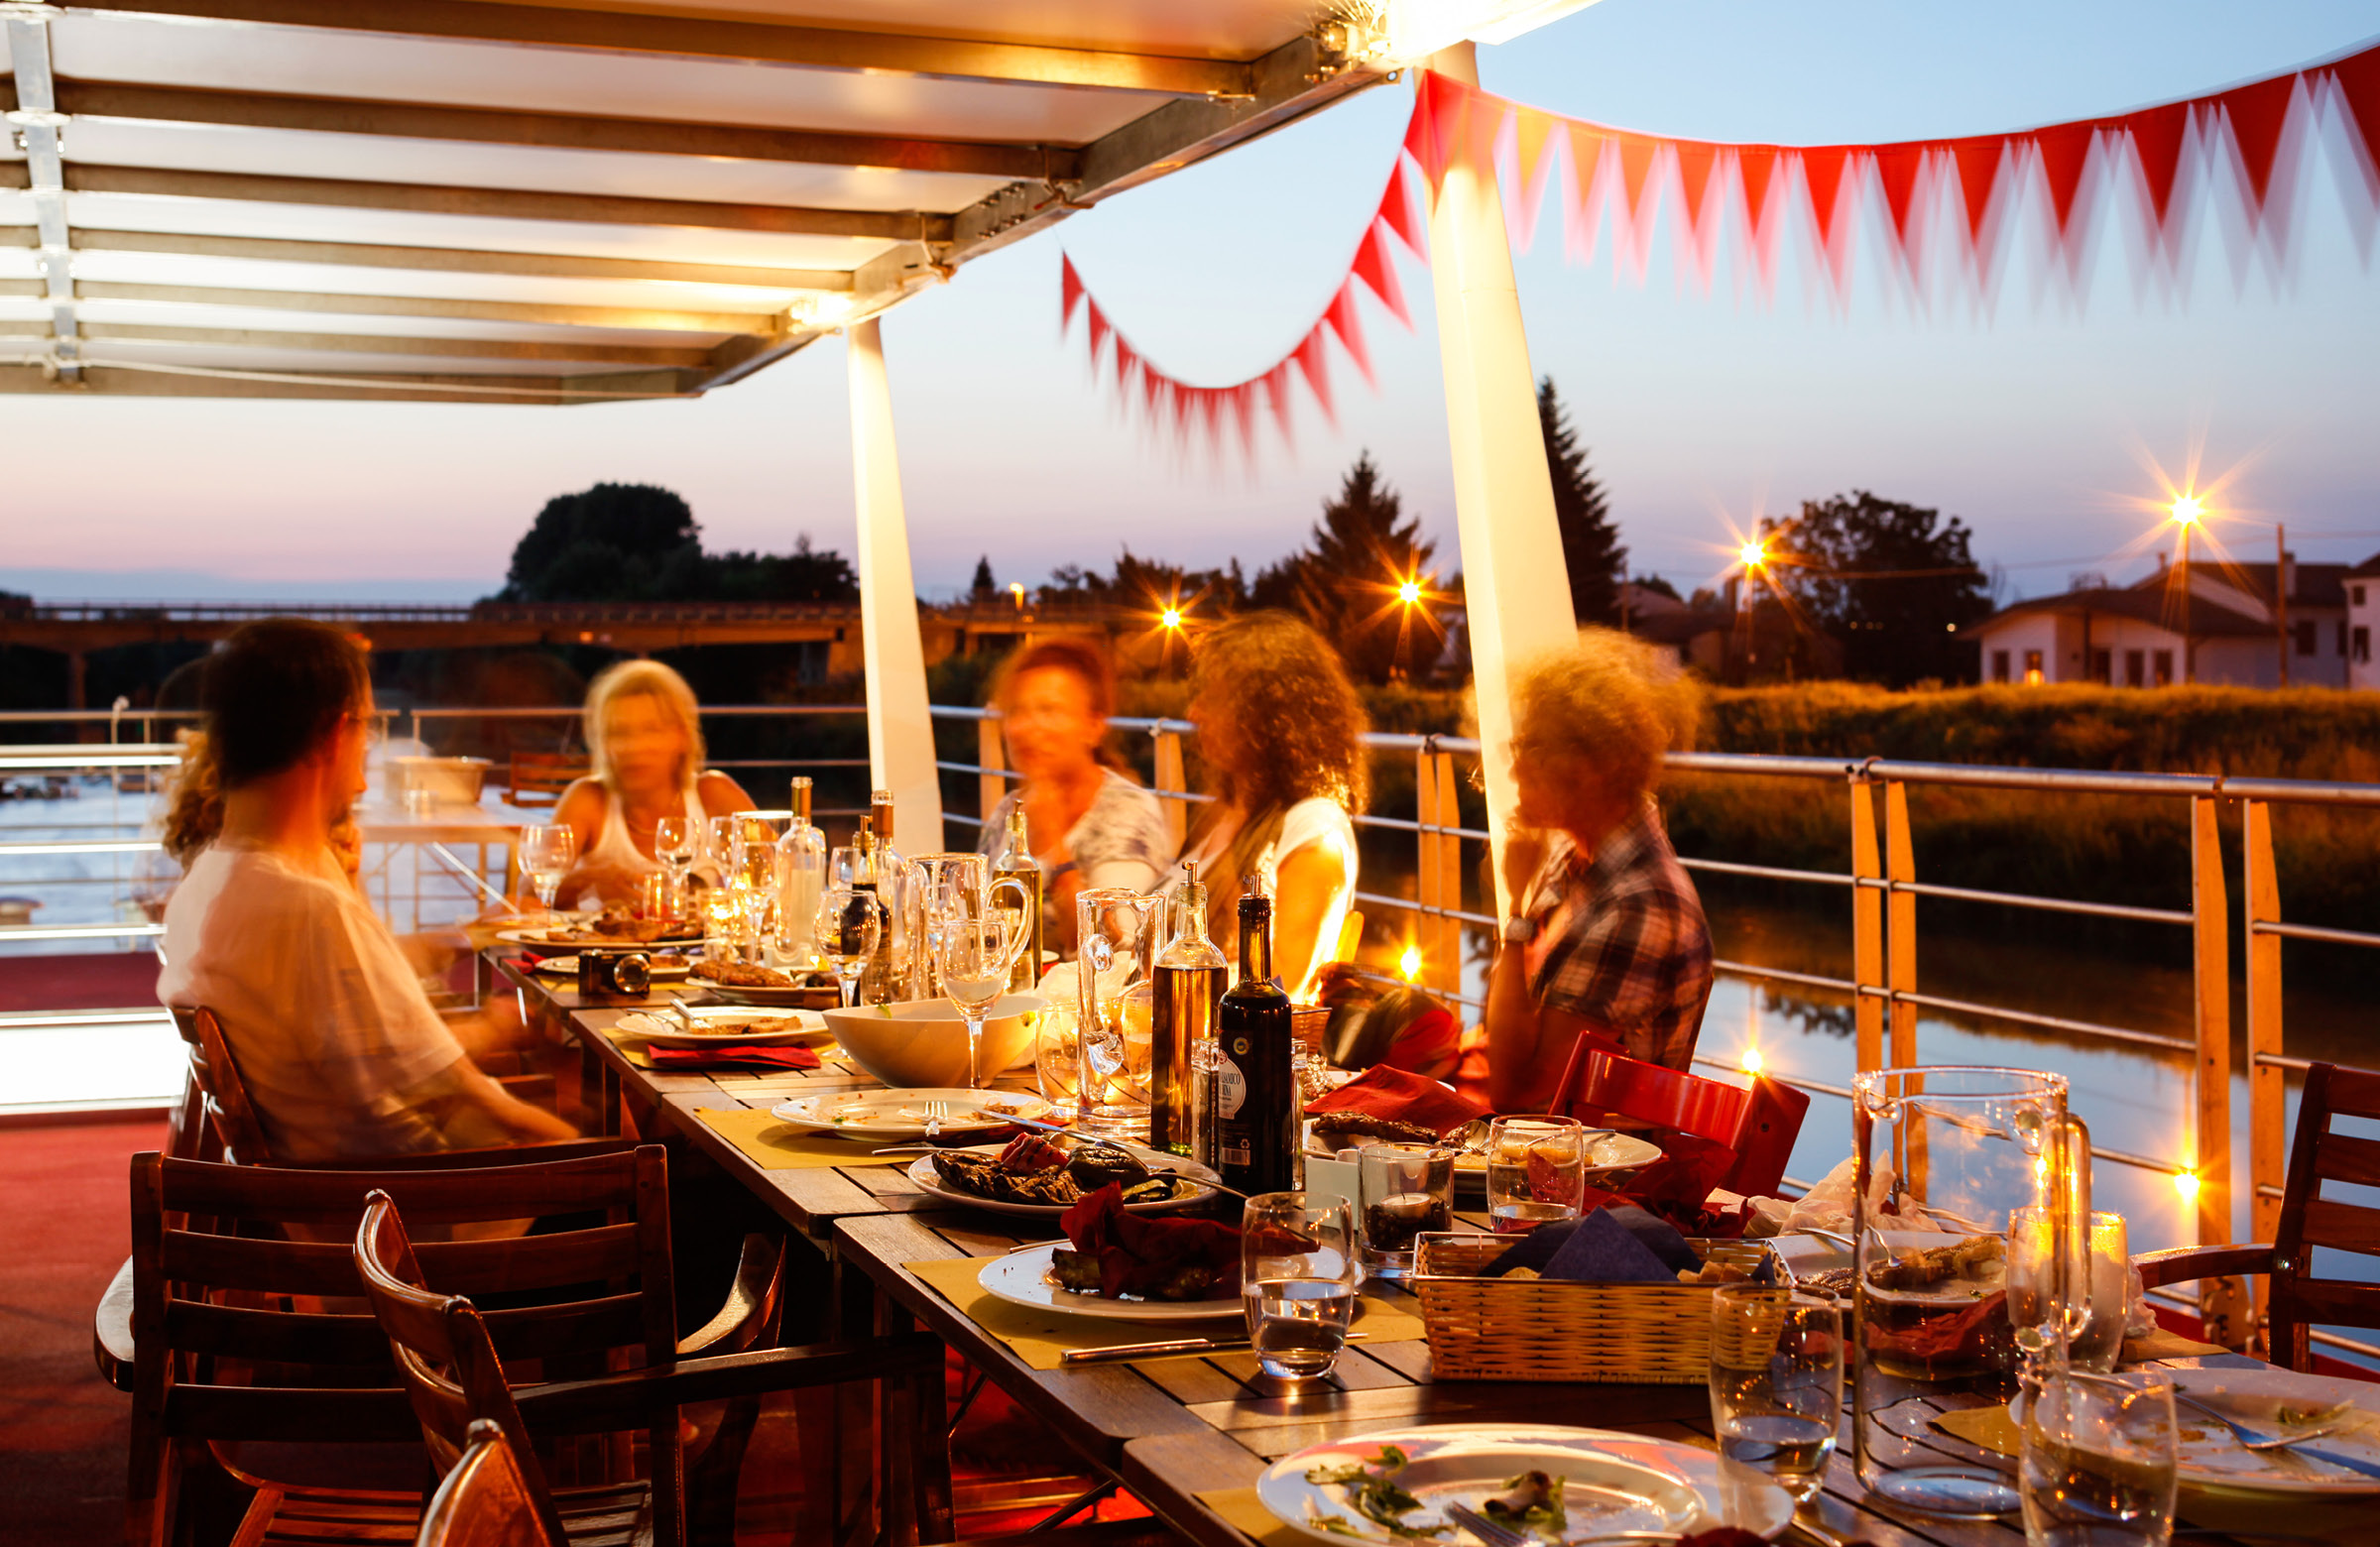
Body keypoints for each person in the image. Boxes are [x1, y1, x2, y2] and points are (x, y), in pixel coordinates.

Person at [158, 618, 575, 1161]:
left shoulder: (211, 880)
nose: (370, 745)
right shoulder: (307, 907)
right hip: (405, 1215)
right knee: (673, 1167)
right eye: (368, 725)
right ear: (335, 732)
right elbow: (449, 1086)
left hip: (333, 1188)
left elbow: (368, 1040)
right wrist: (584, 1145)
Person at [1467, 628, 1714, 1113]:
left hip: (1591, 1179)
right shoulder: (1573, 862)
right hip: (1535, 1161)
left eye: (1533, 750)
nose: (1515, 772)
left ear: (1598, 764)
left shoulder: (1639, 904)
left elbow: (1524, 1100)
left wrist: (1515, 917)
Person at [1169, 612, 1366, 1001]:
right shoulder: (1228, 813)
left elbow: (1282, 990)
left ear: (1263, 717)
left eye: (1211, 697)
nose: (1193, 713)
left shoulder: (1313, 828)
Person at [977, 638, 1172, 951]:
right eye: (1016, 711)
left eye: (1049, 710)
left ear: (1093, 726)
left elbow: (1115, 949)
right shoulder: (1007, 811)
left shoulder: (1127, 813)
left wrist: (1055, 848)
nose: (1028, 727)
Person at [549, 659, 756, 907]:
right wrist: (590, 879)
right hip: (606, 946)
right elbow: (530, 891)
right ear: (601, 742)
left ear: (682, 736)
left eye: (650, 730)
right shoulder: (589, 798)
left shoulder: (714, 794)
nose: (634, 747)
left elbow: (778, 874)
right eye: (619, 732)